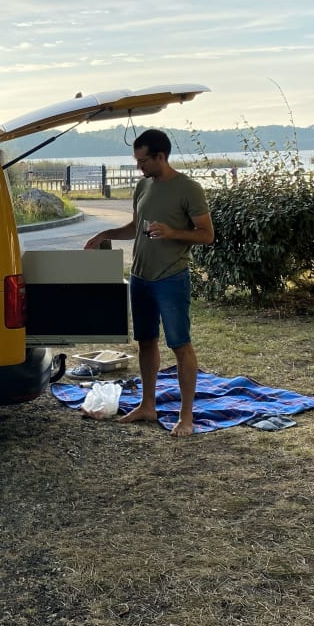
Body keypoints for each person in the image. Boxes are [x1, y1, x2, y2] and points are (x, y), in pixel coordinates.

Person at [83, 129, 214, 436]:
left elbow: (207, 235)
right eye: (137, 161)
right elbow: (134, 227)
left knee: (180, 345)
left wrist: (172, 232)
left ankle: (186, 417)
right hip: (140, 278)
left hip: (171, 278)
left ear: (160, 156)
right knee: (146, 342)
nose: (139, 167)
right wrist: (105, 235)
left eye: (143, 161)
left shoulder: (188, 189)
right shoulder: (143, 186)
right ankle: (147, 406)